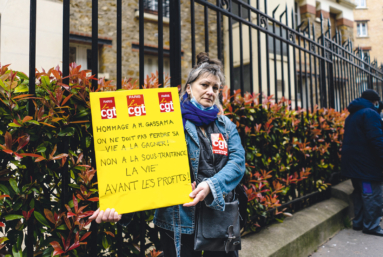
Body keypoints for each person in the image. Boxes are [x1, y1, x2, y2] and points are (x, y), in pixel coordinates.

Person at [89, 52, 246, 256]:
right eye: (204, 85)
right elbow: (145, 166)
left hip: (219, 218)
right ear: (189, 88)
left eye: (215, 88)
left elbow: (237, 163)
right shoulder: (166, 122)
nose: (210, 91)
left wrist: (210, 185)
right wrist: (118, 206)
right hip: (177, 221)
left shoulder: (226, 126)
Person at [341, 89, 383, 236]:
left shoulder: (351, 115)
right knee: (370, 194)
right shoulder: (370, 114)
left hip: (354, 165)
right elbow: (376, 140)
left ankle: (358, 222)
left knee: (360, 193)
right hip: (367, 167)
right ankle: (371, 226)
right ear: (375, 101)